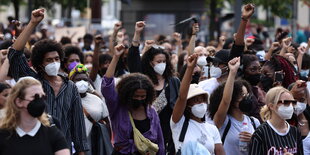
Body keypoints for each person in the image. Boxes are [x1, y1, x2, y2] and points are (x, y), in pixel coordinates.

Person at [7, 9, 89, 154]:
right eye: (49, 60)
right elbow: (15, 54)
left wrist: (81, 151)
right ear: (39, 64)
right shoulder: (33, 82)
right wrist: (33, 23)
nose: (54, 63)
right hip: (36, 147)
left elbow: (78, 124)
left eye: (56, 59)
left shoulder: (70, 87)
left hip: (63, 148)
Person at [128, 21, 180, 154]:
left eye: (164, 61)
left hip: (169, 135)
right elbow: (133, 61)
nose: (162, 64)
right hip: (146, 133)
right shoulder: (143, 80)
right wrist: (137, 34)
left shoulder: (173, 82)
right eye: (158, 62)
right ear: (151, 63)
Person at [102, 44, 164, 155]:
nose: (139, 99)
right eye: (136, 96)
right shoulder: (117, 107)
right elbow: (107, 86)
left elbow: (160, 143)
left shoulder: (152, 112)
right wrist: (116, 57)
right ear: (127, 94)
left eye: (142, 96)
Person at [171, 53, 225, 155]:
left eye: (203, 100)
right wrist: (189, 69)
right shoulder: (178, 123)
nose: (201, 103)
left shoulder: (212, 129)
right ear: (187, 105)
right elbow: (182, 97)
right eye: (196, 100)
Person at [0, 77, 70, 155]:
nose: (40, 101)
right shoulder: (3, 135)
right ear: (19, 101)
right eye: (35, 97)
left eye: (42, 97)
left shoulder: (53, 134)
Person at [209, 57, 260, 155]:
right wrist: (232, 72)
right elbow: (225, 101)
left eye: (247, 95)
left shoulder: (254, 122)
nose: (246, 98)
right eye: (242, 95)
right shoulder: (223, 121)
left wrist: (255, 140)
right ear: (233, 98)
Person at [69, 64, 111, 155]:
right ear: (71, 81)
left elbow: (106, 122)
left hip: (96, 143)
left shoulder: (96, 99)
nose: (82, 82)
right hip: (76, 146)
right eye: (78, 80)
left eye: (85, 79)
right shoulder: (67, 100)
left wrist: (107, 142)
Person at [249, 86, 304, 155]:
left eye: (293, 103)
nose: (290, 106)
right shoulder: (261, 133)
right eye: (286, 103)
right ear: (271, 106)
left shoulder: (295, 132)